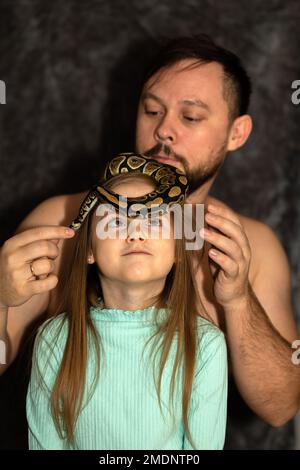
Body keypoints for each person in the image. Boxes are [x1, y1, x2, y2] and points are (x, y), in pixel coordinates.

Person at [0, 34, 299, 443]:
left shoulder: (255, 246)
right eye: (152, 109)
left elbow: (282, 407)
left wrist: (238, 300)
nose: (164, 130)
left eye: (190, 117)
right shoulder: (63, 222)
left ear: (237, 132)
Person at [26, 166, 228, 450]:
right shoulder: (54, 339)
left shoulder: (207, 345)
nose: (135, 234)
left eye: (154, 220)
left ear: (178, 250)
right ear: (89, 250)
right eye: (116, 222)